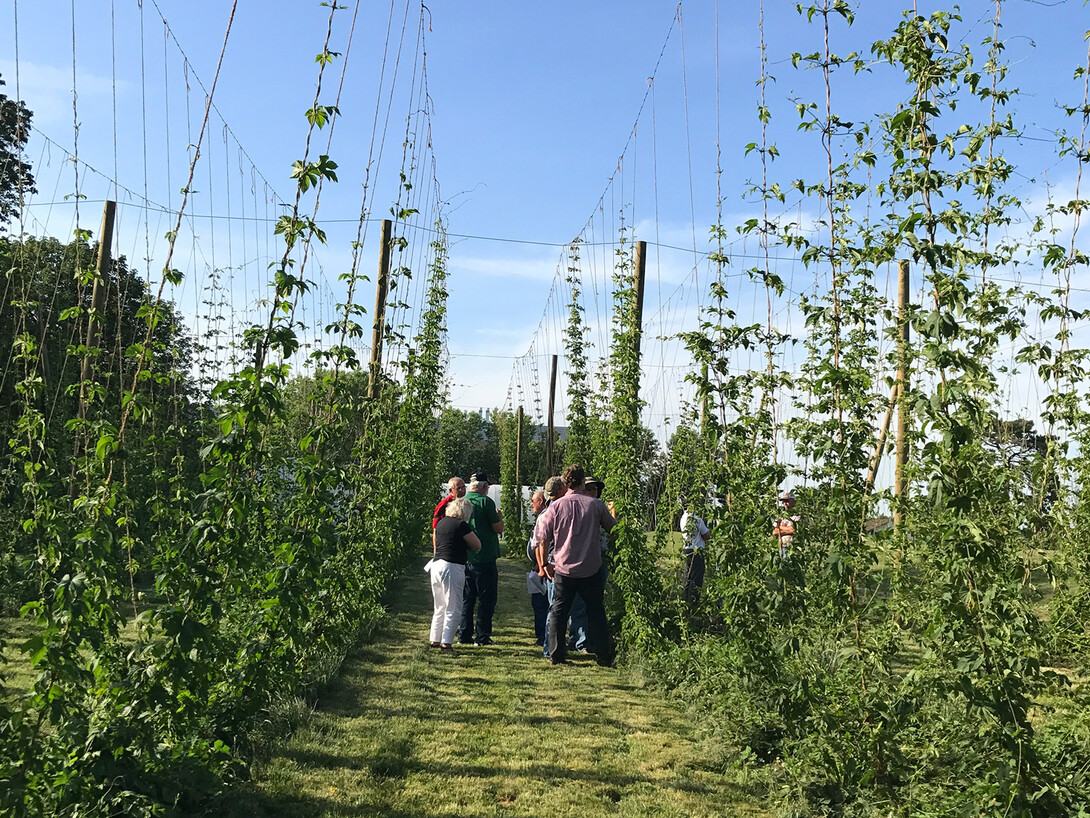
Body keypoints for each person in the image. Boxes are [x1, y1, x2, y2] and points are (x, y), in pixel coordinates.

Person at [537, 464, 617, 666]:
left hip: (564, 567)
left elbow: (544, 537)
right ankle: (603, 655)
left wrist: (545, 562)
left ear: (565, 483)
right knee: (596, 611)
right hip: (591, 567)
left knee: (559, 611)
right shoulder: (595, 505)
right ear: (583, 482)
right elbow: (613, 529)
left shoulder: (555, 506)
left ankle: (556, 654)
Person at [429, 497, 481, 653]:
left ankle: (435, 640)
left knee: (439, 606)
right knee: (454, 606)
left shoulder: (441, 523)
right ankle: (447, 643)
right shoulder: (461, 525)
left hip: (436, 564)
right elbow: (477, 545)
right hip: (452, 566)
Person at [460, 471, 503, 646]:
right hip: (484, 557)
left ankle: (464, 635)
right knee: (486, 598)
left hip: (466, 556)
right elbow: (498, 528)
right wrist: (499, 517)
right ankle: (482, 635)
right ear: (484, 486)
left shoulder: (462, 501)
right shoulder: (486, 502)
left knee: (467, 598)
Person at [567, 475, 608, 651]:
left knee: (592, 604)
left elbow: (612, 529)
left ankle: (583, 638)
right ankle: (579, 640)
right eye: (590, 488)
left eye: (596, 489)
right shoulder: (579, 510)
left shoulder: (599, 508)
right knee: (578, 604)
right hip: (581, 562)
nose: (594, 492)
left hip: (598, 560)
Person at [534, 476, 567, 658]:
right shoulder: (555, 512)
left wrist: (542, 565)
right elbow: (542, 542)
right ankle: (551, 648)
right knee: (555, 608)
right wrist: (545, 565)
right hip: (557, 564)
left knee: (554, 607)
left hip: (551, 564)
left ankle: (553, 647)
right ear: (562, 490)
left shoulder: (545, 513)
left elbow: (537, 543)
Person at [526, 489, 549, 646]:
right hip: (539, 565)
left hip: (542, 567)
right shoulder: (543, 516)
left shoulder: (545, 517)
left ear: (541, 501)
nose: (531, 505)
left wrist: (540, 564)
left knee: (542, 603)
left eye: (533, 502)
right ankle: (542, 635)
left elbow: (541, 543)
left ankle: (543, 636)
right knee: (540, 603)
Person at [680, 504, 712, 603]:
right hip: (696, 550)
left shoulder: (683, 517)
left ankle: (686, 599)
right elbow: (707, 535)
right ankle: (693, 601)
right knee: (696, 578)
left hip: (687, 548)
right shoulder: (696, 519)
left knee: (688, 576)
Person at [773, 491, 799, 560]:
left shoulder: (797, 514)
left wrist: (780, 528)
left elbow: (793, 529)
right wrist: (787, 529)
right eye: (783, 501)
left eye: (787, 501)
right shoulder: (781, 516)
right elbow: (775, 532)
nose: (785, 503)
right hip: (782, 547)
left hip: (792, 547)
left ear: (793, 501)